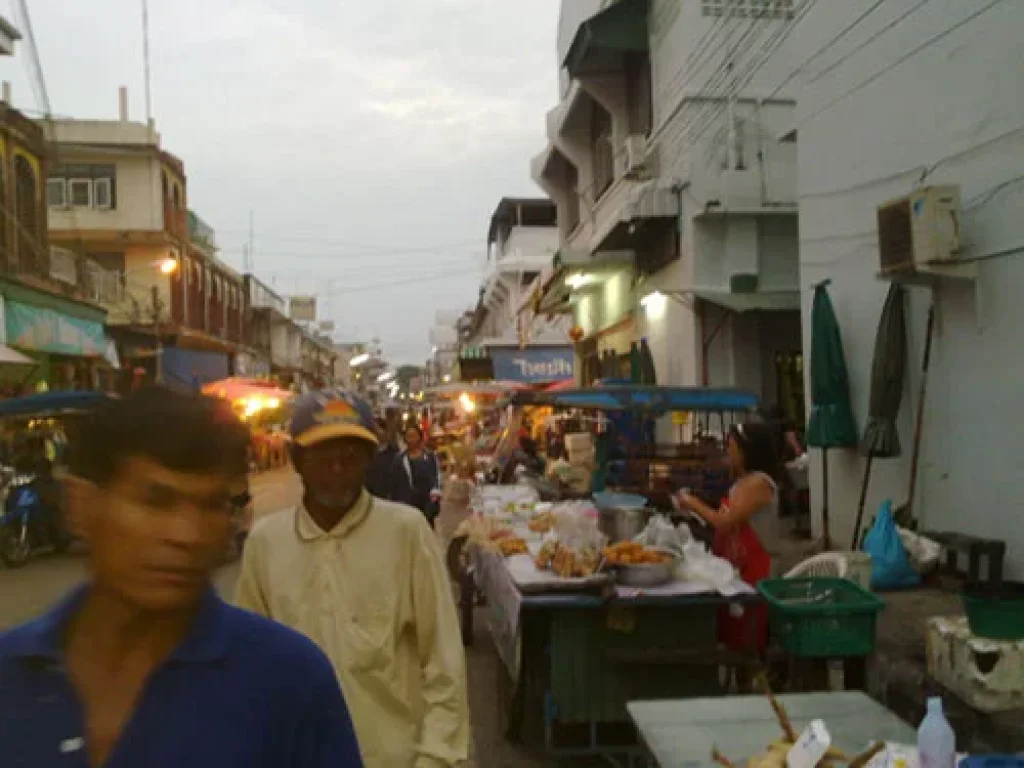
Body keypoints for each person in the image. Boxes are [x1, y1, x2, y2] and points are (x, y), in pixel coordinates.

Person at [0, 388, 362, 768]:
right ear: (81, 504)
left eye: (212, 505)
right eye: (156, 501)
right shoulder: (12, 677)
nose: (188, 535)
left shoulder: (290, 683)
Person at [234, 389, 469, 767]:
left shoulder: (405, 532)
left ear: (370, 461)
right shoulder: (266, 543)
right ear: (296, 461)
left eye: (350, 458)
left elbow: (444, 663)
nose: (338, 470)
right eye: (323, 458)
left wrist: (437, 758)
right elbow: (249, 670)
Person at [675, 421, 780, 658]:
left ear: (747, 451)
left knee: (749, 641)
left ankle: (754, 683)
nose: (728, 452)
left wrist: (692, 503)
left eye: (731, 446)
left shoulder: (759, 483)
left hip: (755, 574)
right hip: (737, 571)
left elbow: (725, 522)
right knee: (734, 637)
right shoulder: (743, 483)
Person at [389, 423, 443, 525]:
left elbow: (436, 477)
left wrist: (435, 498)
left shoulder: (429, 456)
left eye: (414, 436)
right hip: (407, 504)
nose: (412, 439)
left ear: (420, 437)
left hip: (427, 503)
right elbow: (394, 484)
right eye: (409, 436)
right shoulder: (399, 460)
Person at [366, 409, 400, 498]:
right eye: (373, 431)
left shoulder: (392, 452)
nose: (376, 433)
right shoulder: (367, 454)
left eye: (379, 430)